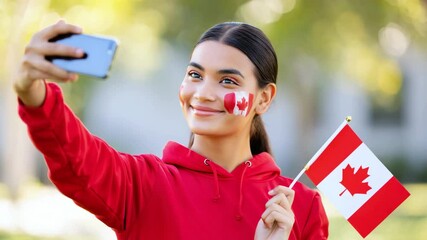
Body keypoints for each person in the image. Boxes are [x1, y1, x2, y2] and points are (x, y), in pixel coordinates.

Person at [14, 20, 329, 239]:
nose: (203, 93)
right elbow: (76, 156)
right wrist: (34, 94)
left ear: (264, 98)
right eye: (195, 74)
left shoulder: (299, 207)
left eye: (227, 81)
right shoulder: (142, 185)